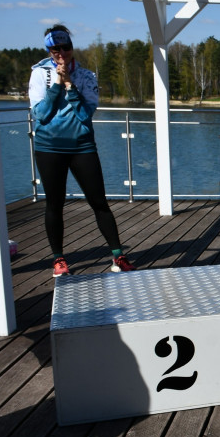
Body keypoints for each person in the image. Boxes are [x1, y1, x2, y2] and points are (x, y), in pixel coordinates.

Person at [28, 25, 134, 277]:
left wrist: (69, 86)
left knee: (99, 202)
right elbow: (40, 115)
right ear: (49, 50)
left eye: (66, 47)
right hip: (49, 147)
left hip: (82, 146)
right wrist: (57, 84)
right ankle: (58, 260)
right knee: (55, 204)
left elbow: (86, 115)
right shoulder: (38, 74)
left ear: (72, 47)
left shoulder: (86, 76)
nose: (61, 53)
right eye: (55, 49)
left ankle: (118, 256)